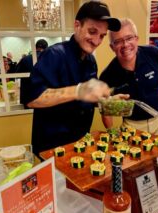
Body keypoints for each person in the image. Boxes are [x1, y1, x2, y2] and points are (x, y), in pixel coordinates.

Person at [22, 1, 121, 158]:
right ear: (77, 25)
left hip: (80, 143)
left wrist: (107, 101)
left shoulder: (91, 61)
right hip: (53, 148)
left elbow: (87, 97)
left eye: (102, 36)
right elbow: (32, 98)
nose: (97, 41)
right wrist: (78, 91)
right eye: (92, 31)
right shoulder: (54, 55)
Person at [99, 18, 158, 139]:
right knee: (136, 158)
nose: (125, 45)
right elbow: (106, 110)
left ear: (136, 39)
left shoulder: (153, 53)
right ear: (112, 47)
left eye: (129, 38)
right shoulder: (107, 75)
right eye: (118, 41)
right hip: (132, 127)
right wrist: (112, 132)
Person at [16, 39, 49, 109]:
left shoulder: (25, 59)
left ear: (35, 47)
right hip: (45, 94)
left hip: (28, 94)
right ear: (46, 48)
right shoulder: (49, 58)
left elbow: (17, 73)